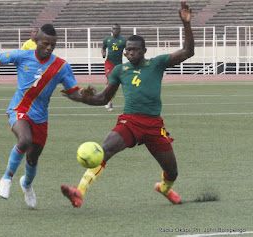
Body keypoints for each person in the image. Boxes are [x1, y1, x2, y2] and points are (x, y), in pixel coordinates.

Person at [60, 1, 194, 207]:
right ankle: (79, 192)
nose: (130, 53)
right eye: (128, 50)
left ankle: (164, 189)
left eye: (135, 50)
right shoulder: (119, 70)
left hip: (154, 125)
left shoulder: (156, 63)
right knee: (105, 150)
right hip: (129, 121)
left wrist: (186, 24)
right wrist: (79, 96)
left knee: (172, 171)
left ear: (144, 50)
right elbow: (103, 98)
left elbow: (187, 52)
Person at [0, 24, 82, 208]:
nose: (49, 48)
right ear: (36, 41)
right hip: (19, 108)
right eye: (46, 44)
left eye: (53, 45)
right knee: (24, 141)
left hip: (41, 117)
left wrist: (86, 95)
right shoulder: (22, 56)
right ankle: (7, 178)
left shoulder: (61, 66)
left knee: (32, 158)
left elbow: (74, 93)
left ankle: (27, 185)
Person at [101, 23, 126, 111]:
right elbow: (103, 47)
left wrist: (127, 54)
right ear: (111, 30)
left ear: (119, 30)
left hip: (118, 64)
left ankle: (108, 99)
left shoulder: (123, 40)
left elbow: (128, 48)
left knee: (115, 84)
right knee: (110, 79)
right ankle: (107, 101)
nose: (115, 30)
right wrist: (103, 53)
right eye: (113, 29)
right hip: (109, 63)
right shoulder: (107, 39)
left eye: (117, 29)